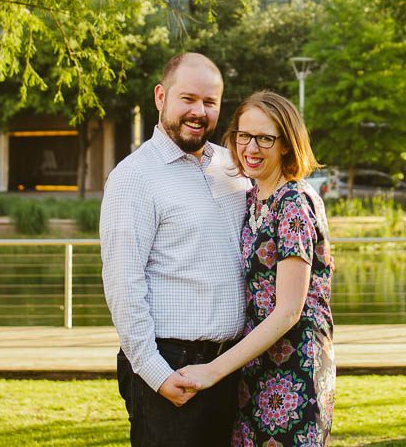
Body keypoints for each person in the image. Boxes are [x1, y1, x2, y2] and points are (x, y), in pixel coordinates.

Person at [100, 52, 251, 447]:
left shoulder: (233, 167)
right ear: (160, 97)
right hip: (172, 369)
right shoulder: (133, 177)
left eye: (210, 102)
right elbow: (122, 285)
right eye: (188, 98)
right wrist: (155, 372)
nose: (198, 111)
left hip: (234, 367)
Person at [177, 90, 335, 447]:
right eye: (243, 135)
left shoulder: (294, 202)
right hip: (253, 369)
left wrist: (212, 371)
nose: (251, 147)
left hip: (294, 372)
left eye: (265, 137)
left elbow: (289, 311)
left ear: (285, 144)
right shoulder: (253, 198)